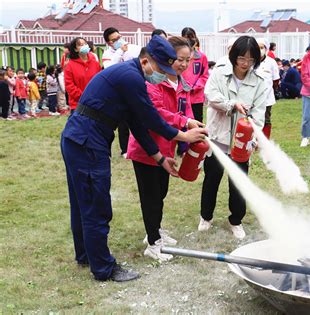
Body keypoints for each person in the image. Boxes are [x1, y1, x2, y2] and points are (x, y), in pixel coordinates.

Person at [60, 35, 207, 282]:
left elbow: (137, 125)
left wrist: (160, 158)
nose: (163, 74)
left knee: (82, 201)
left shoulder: (129, 76)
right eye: (162, 69)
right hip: (87, 141)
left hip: (79, 138)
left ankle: (86, 254)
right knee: (96, 205)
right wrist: (183, 135)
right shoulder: (131, 77)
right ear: (147, 61)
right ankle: (103, 267)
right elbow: (151, 118)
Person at [127, 36, 202, 261]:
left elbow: (186, 111)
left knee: (161, 193)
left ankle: (155, 231)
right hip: (147, 149)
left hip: (166, 148)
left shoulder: (181, 84)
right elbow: (157, 114)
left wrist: (192, 127)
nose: (183, 65)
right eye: (179, 59)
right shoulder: (153, 82)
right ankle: (152, 244)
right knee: (150, 197)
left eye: (188, 60)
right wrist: (184, 123)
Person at [199, 35, 266, 240]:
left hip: (241, 143)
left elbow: (259, 113)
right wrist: (232, 104)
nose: (245, 64)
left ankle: (236, 221)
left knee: (239, 182)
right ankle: (206, 216)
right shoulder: (220, 73)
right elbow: (210, 96)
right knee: (211, 179)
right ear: (233, 56)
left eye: (251, 60)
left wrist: (254, 139)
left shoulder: (260, 82)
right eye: (241, 59)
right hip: (218, 136)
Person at [102, 27, 142, 158]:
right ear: (109, 43)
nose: (119, 40)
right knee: (123, 123)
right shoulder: (107, 55)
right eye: (115, 40)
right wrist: (119, 52)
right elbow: (111, 70)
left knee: (138, 119)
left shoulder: (132, 49)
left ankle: (139, 146)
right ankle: (125, 149)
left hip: (134, 88)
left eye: (119, 37)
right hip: (119, 92)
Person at [64, 37, 101, 114]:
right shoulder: (70, 65)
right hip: (78, 104)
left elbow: (100, 81)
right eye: (80, 45)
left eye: (85, 44)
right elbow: (69, 86)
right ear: (75, 49)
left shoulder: (95, 63)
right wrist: (84, 96)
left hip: (95, 102)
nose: (84, 46)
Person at [181, 27, 209, 123]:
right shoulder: (179, 57)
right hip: (182, 94)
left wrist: (195, 87)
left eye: (191, 37)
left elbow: (205, 76)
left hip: (196, 97)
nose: (189, 40)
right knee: (184, 121)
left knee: (197, 121)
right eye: (186, 37)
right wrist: (184, 86)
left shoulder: (202, 57)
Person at [256, 38, 280, 139]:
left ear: (266, 49)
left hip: (267, 97)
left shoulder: (271, 62)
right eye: (258, 47)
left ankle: (265, 140)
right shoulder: (251, 61)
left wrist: (271, 90)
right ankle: (254, 140)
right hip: (253, 97)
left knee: (266, 119)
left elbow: (276, 80)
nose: (260, 50)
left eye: (262, 47)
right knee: (254, 119)